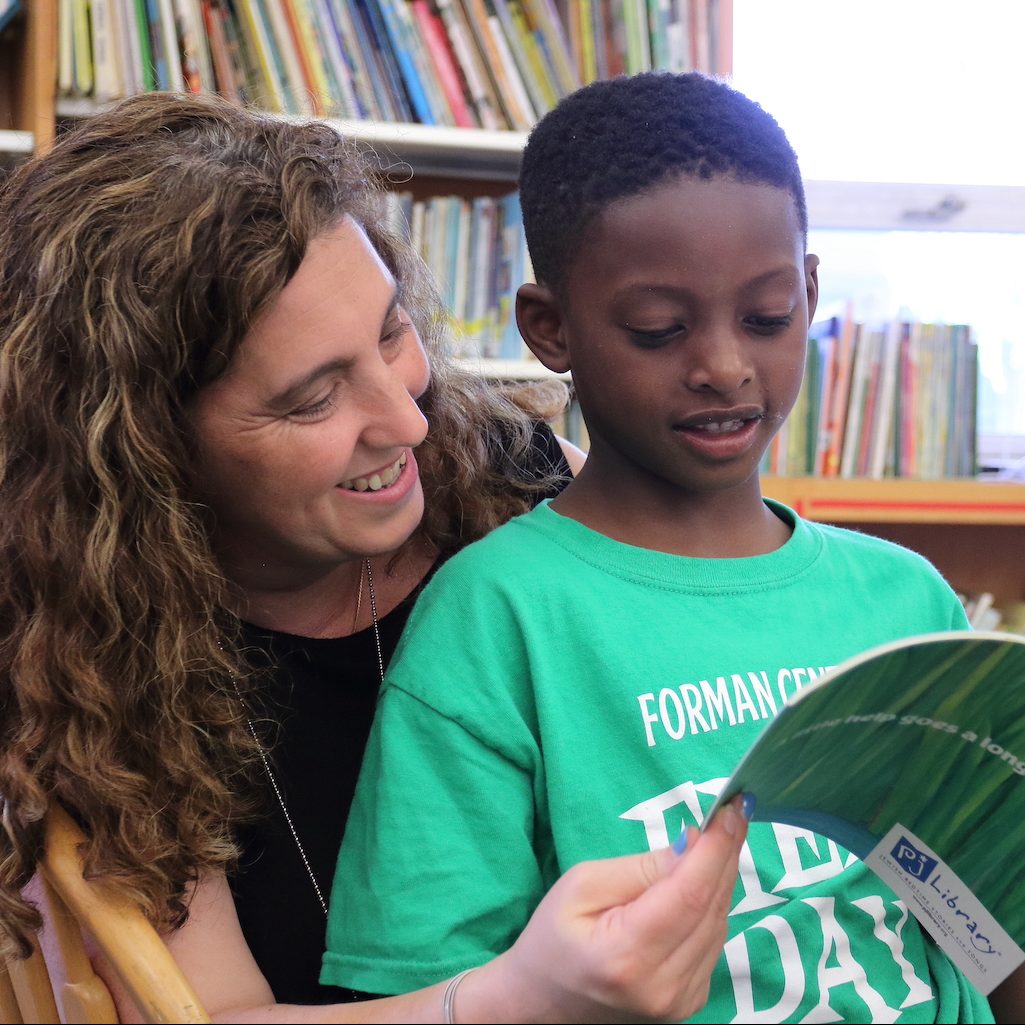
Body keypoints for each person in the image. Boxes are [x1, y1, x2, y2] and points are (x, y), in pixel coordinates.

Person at [0, 89, 751, 1023]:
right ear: (144, 452)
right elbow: (223, 1015)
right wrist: (518, 1000)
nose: (408, 416)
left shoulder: (522, 479)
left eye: (391, 330)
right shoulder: (95, 666)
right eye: (313, 398)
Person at [325, 71, 1020, 1022]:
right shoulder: (498, 619)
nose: (725, 366)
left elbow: (984, 942)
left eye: (768, 316)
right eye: (659, 329)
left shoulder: (906, 601)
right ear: (550, 328)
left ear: (810, 293)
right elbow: (424, 991)